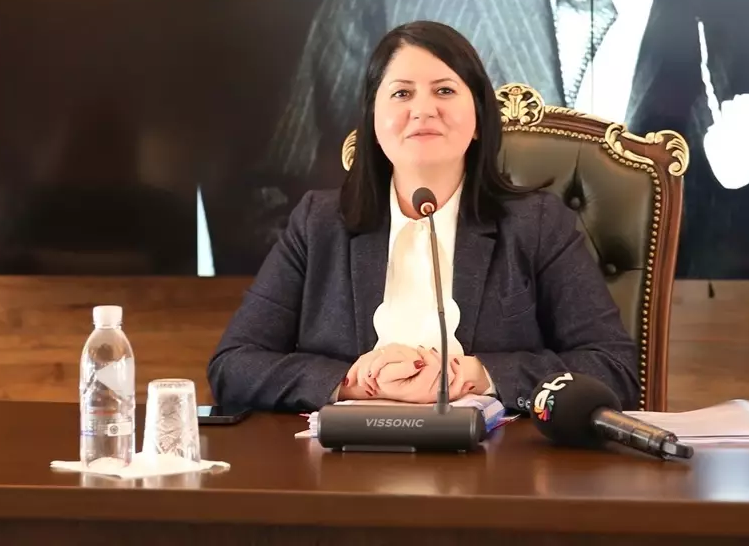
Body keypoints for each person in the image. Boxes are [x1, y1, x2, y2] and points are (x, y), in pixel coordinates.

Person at [207, 21, 639, 412]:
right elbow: (233, 365)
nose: (423, 109)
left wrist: (477, 375)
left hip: (495, 463)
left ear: (478, 120)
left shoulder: (538, 224)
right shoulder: (318, 223)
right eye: (401, 93)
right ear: (373, 122)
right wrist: (354, 383)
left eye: (445, 90)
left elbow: (613, 368)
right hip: (345, 462)